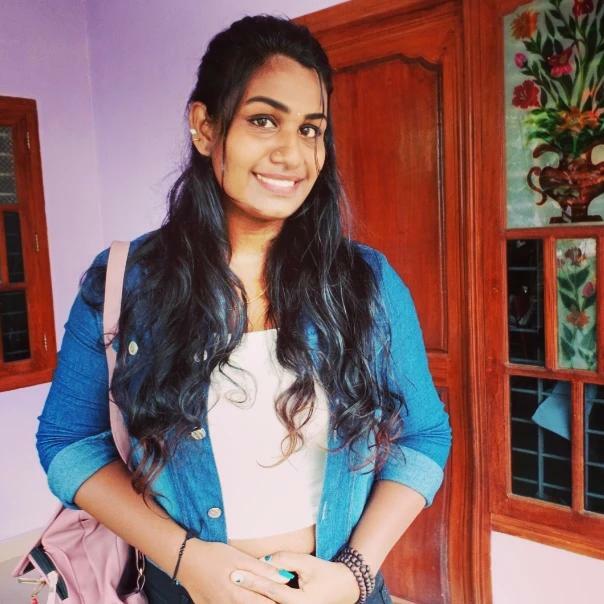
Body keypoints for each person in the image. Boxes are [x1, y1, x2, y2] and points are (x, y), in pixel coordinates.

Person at [36, 15, 451, 604]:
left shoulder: (366, 283)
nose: (292, 153)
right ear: (205, 127)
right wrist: (188, 561)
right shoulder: (128, 283)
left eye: (311, 129)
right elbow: (68, 442)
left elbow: (424, 436)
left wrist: (354, 573)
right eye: (263, 120)